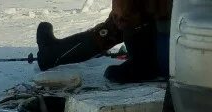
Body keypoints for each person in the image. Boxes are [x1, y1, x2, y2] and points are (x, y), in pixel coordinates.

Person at [36, 0, 173, 84]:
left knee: (127, 17)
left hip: (173, 49)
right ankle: (52, 53)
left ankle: (143, 63)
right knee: (115, 26)